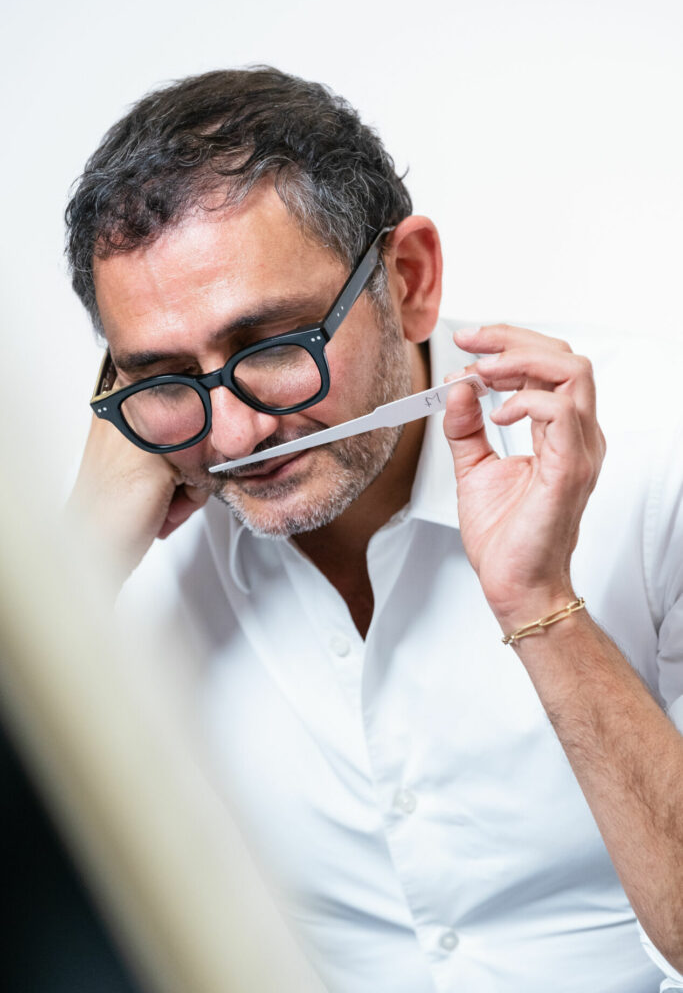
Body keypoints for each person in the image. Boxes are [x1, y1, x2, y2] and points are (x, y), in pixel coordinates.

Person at [66, 67, 683, 992]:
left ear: (408, 281)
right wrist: (76, 562)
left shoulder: (654, 459)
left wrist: (540, 604)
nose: (233, 437)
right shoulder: (125, 543)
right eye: (162, 375)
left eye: (273, 347)